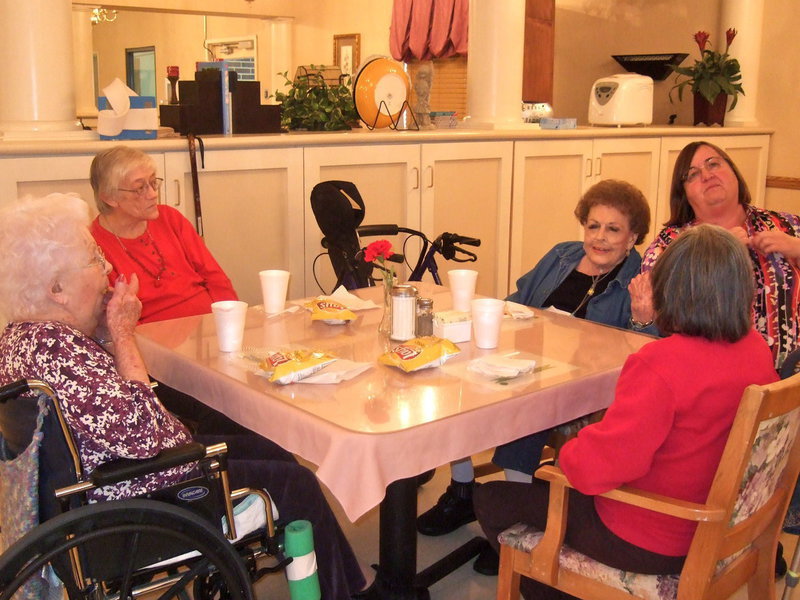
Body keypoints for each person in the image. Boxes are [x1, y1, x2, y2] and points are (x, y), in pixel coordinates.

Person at [0, 194, 367, 600]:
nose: (107, 268)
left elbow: (99, 406)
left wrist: (103, 334)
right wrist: (122, 333)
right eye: (93, 260)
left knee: (270, 448)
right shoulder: (62, 352)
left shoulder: (25, 340)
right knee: (296, 482)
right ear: (57, 289)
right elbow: (140, 432)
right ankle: (344, 593)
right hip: (141, 494)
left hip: (98, 485)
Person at [474, 224, 779, 600]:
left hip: (648, 536)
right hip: (721, 526)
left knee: (491, 498)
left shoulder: (661, 363)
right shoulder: (755, 349)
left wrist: (565, 453)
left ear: (672, 290)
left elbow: (598, 469)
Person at [417, 180, 653, 572]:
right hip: (525, 360)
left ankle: (513, 523)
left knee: (526, 410)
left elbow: (644, 348)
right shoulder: (563, 255)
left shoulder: (640, 279)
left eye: (613, 229)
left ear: (632, 237)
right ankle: (462, 490)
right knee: (457, 380)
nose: (599, 237)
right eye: (593, 226)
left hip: (585, 389)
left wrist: (642, 318)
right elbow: (516, 301)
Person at [633, 140, 800, 370]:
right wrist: (723, 255)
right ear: (684, 195)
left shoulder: (786, 225)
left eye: (713, 164)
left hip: (792, 380)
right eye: (692, 175)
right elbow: (660, 323)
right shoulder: (669, 246)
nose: (707, 175)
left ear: (734, 172)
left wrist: (797, 248)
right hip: (712, 383)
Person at [89, 145, 237, 325]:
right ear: (109, 198)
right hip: (152, 338)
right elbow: (118, 321)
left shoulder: (170, 218)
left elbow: (215, 278)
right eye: (140, 188)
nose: (153, 194)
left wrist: (232, 321)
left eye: (153, 183)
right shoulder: (94, 244)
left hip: (210, 327)